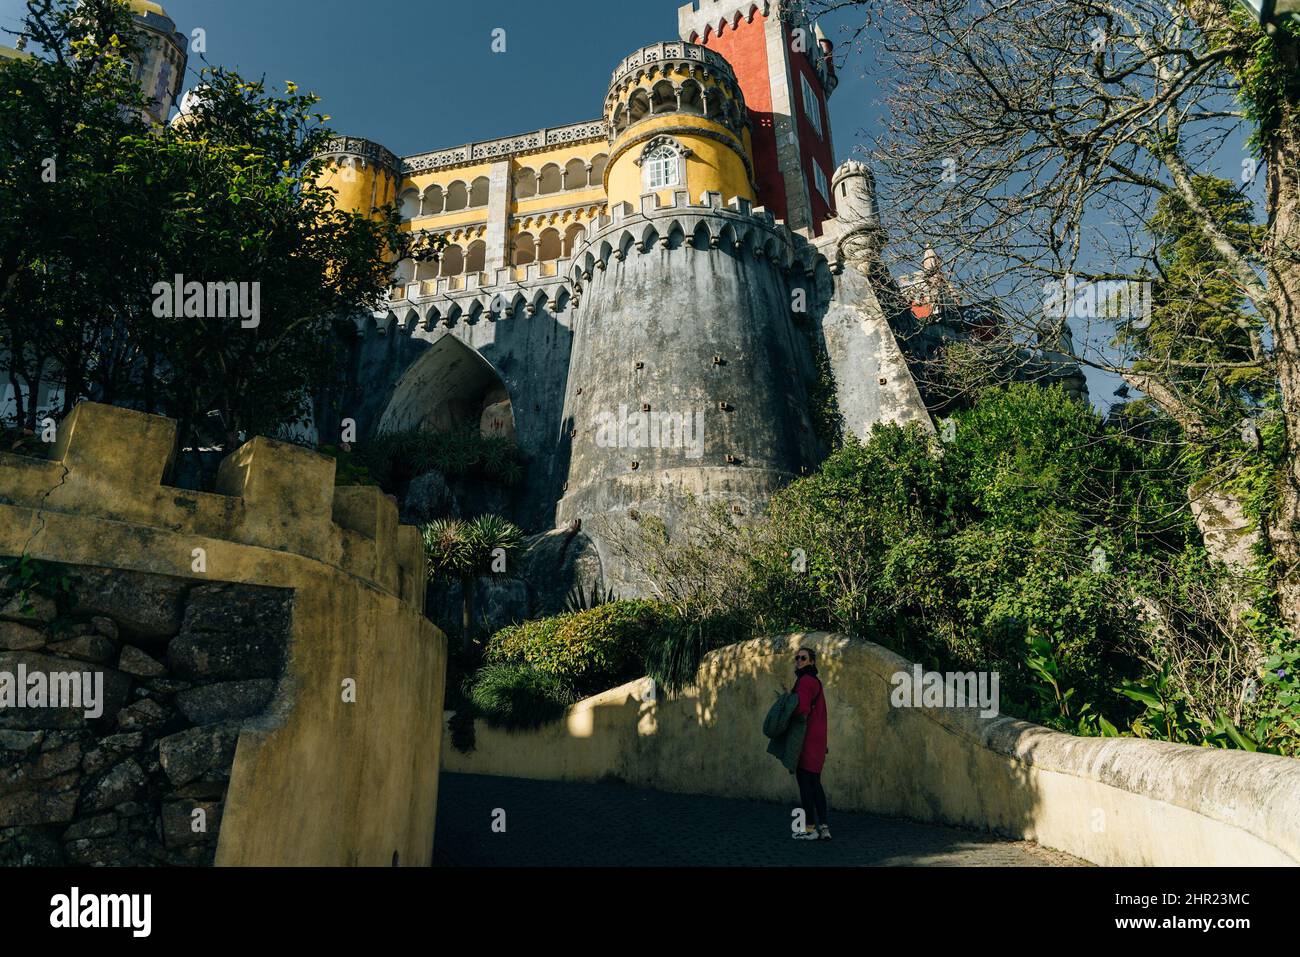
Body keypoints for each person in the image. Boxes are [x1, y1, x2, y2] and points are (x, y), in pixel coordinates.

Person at [791, 647, 830, 841]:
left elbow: (802, 709)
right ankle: (824, 827)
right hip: (818, 741)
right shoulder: (816, 682)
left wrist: (787, 712)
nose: (799, 661)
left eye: (803, 658)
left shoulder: (805, 682)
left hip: (806, 741)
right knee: (815, 784)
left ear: (812, 661)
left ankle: (809, 828)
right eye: (797, 658)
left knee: (805, 785)